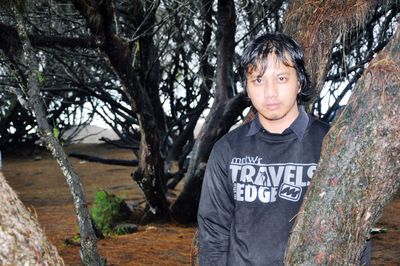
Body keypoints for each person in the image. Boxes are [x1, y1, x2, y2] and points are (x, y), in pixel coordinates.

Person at [197, 32, 370, 265]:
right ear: (247, 88)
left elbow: (356, 229)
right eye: (258, 80)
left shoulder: (333, 145)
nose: (270, 92)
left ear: (299, 82)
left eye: (281, 78)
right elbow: (213, 233)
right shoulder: (227, 150)